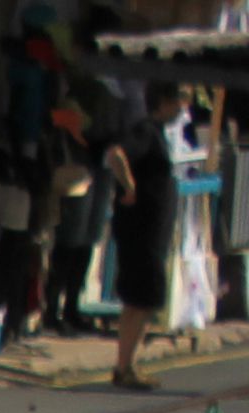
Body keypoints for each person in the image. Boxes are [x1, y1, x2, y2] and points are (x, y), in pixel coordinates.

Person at [108, 95, 184, 386]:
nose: (180, 110)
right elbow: (116, 154)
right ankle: (125, 367)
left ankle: (126, 365)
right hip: (142, 233)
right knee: (142, 299)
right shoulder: (146, 131)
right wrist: (129, 187)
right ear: (162, 102)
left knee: (141, 300)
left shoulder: (157, 134)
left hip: (149, 233)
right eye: (177, 103)